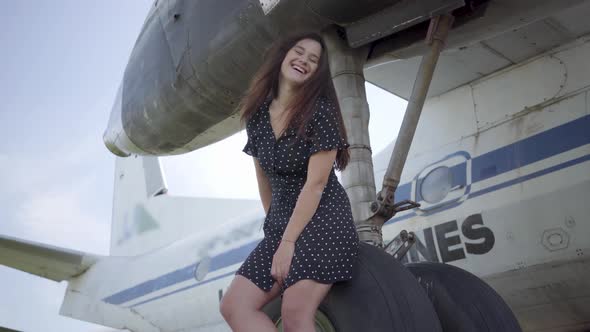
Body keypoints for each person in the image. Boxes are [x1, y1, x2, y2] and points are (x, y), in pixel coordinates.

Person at [219, 31, 360, 332]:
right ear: (283, 56)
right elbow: (264, 178)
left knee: (295, 314)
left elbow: (316, 185)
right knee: (234, 306)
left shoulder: (321, 113)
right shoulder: (257, 117)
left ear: (317, 73)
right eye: (298, 52)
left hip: (324, 222)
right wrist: (276, 229)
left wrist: (288, 242)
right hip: (283, 226)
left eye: (313, 60)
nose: (303, 61)